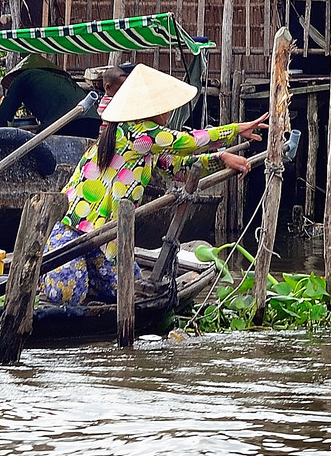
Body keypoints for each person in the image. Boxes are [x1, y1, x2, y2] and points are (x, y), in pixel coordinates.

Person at [39, 64, 268, 306]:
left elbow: (179, 167)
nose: (168, 113)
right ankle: (50, 279)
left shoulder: (146, 146)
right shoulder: (135, 132)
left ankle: (91, 282)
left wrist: (221, 158)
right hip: (74, 231)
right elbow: (186, 141)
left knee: (130, 294)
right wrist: (235, 130)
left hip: (107, 240)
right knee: (68, 295)